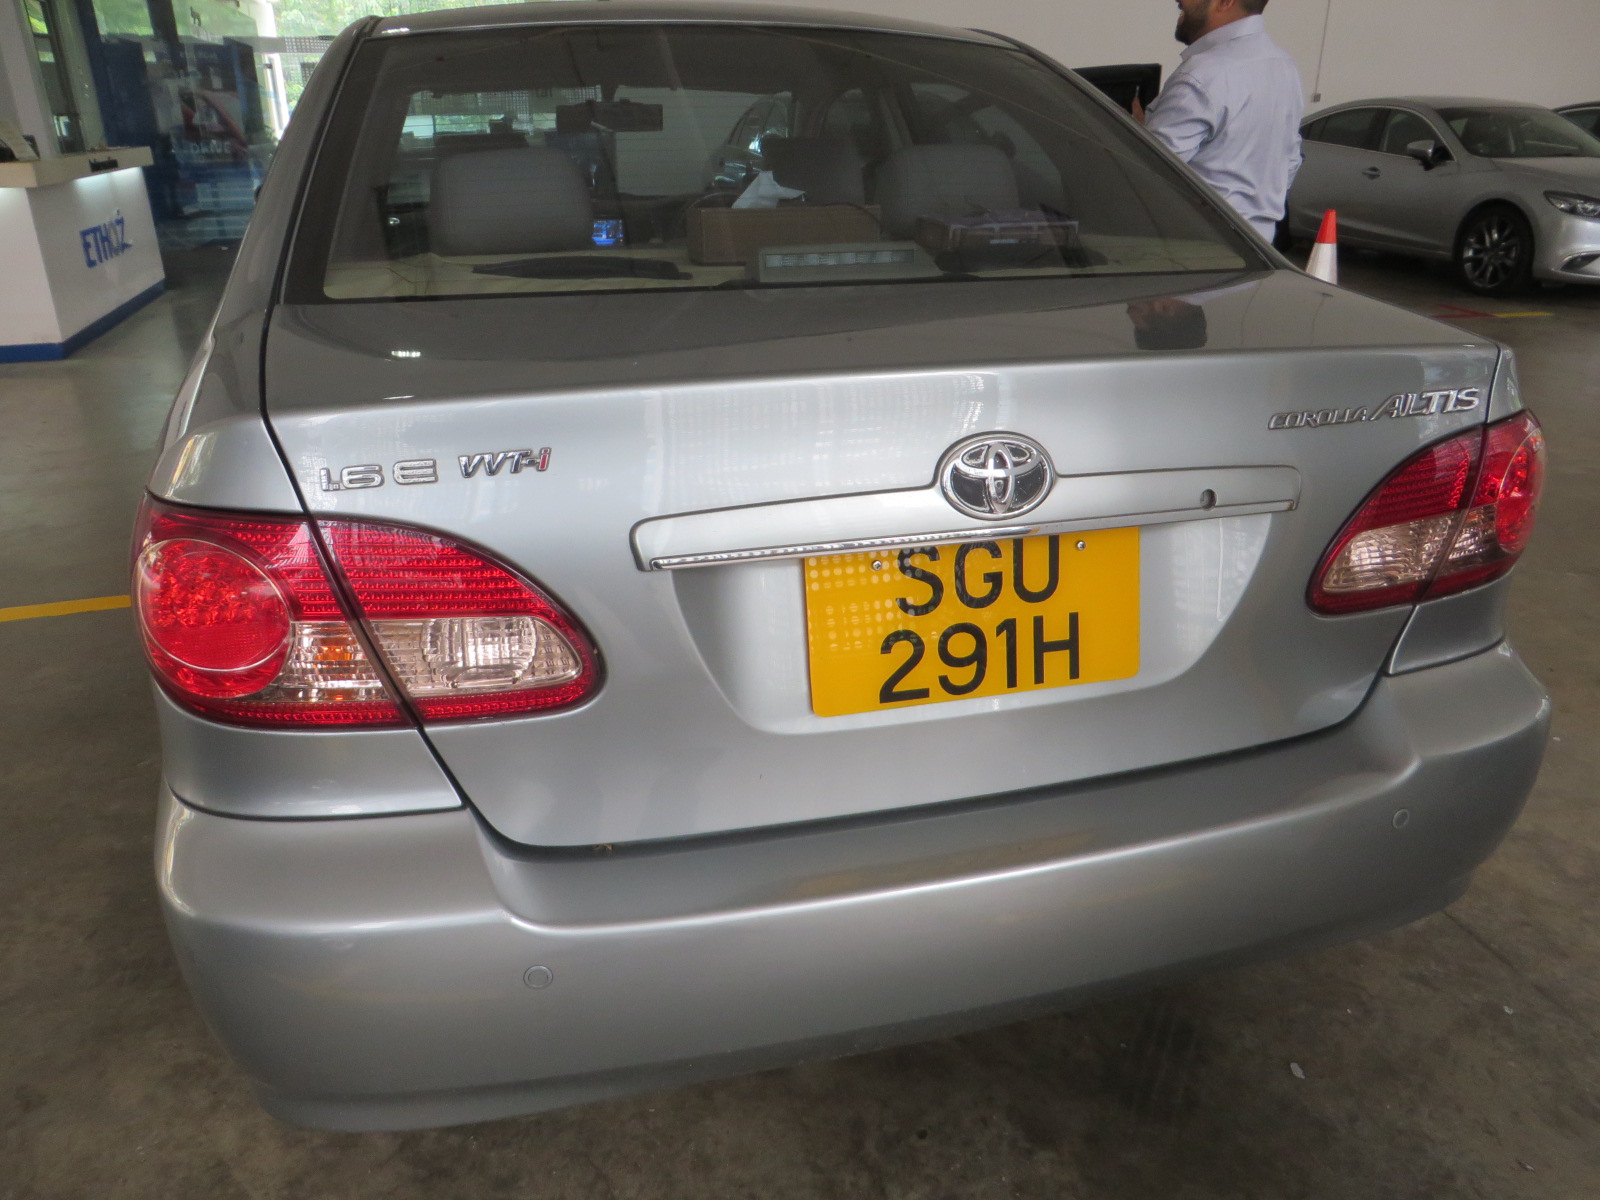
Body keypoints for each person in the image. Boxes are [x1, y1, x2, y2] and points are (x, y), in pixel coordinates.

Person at [1137, 0, 1304, 241]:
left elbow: (1147, 174)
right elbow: (1290, 160)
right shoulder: (1283, 66)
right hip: (1258, 246)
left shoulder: (1203, 75)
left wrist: (1126, 136)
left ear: (1226, 2)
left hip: (1193, 245)